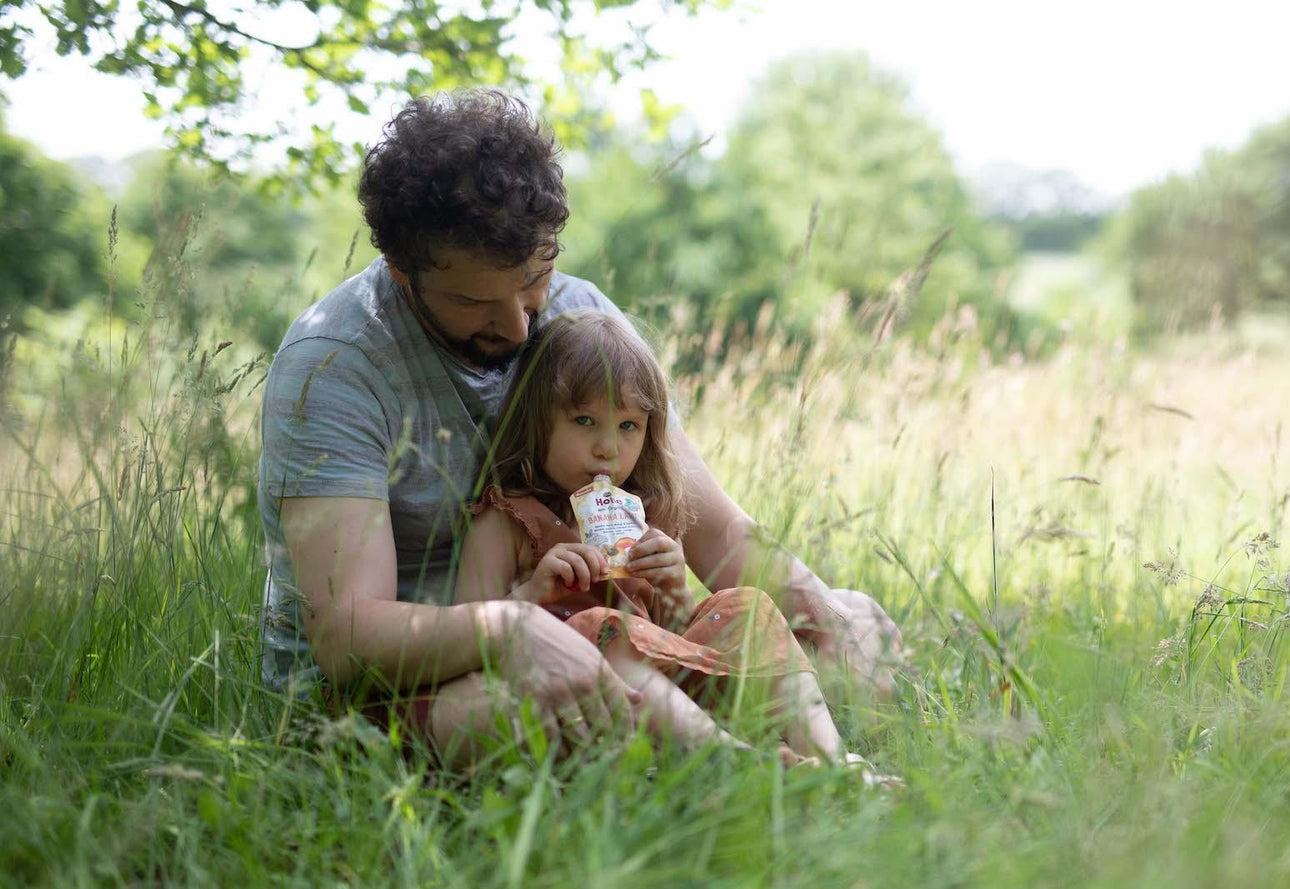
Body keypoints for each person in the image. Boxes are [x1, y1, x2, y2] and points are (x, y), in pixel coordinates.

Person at [256, 88, 902, 766]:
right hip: (403, 688)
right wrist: (510, 625)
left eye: (533, 281)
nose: (517, 326)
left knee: (794, 632)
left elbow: (711, 527)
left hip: (598, 636)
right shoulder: (334, 362)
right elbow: (345, 639)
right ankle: (750, 775)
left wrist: (822, 612)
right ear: (403, 274)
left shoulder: (578, 315)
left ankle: (791, 760)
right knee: (554, 697)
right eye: (475, 300)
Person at [451, 307, 897, 783]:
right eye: (584, 420)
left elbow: (672, 634)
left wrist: (673, 588)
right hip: (588, 695)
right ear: (537, 421)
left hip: (671, 696)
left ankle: (830, 760)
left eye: (628, 427)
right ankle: (742, 763)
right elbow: (467, 628)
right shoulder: (508, 519)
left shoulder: (641, 515)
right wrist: (533, 595)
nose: (608, 447)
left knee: (746, 605)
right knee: (601, 626)